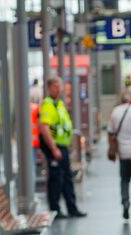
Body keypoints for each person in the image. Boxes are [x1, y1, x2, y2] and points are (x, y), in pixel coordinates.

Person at [38, 77, 87, 219]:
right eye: (55, 86)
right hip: (55, 147)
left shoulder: (58, 103)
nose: (59, 89)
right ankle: (55, 209)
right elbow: (44, 127)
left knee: (66, 177)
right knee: (56, 178)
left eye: (60, 86)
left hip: (62, 146)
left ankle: (72, 208)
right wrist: (53, 148)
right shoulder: (48, 105)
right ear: (49, 87)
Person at [108, 86, 131, 222]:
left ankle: (125, 202)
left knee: (125, 179)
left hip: (123, 153)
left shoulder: (116, 111)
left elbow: (111, 132)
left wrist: (112, 149)